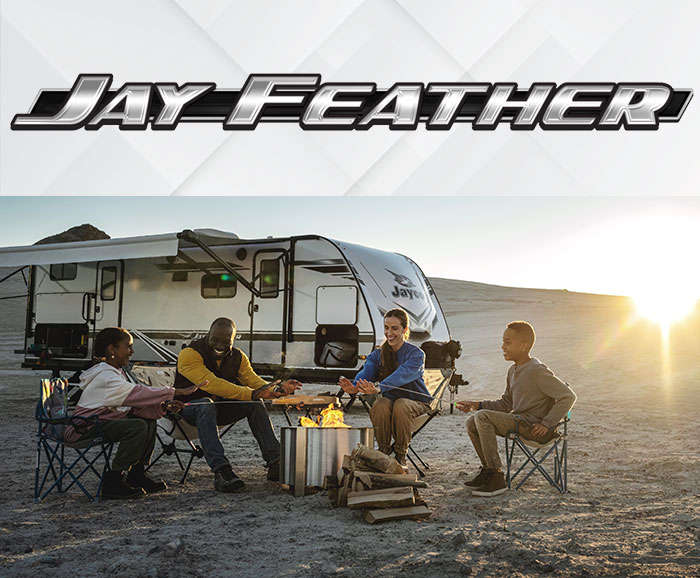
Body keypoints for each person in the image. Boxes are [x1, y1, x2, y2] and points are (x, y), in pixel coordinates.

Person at [64, 327, 200, 499]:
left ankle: (137, 474)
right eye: (127, 346)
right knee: (137, 426)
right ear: (112, 349)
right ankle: (113, 480)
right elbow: (137, 392)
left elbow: (131, 404)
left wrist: (163, 407)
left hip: (99, 423)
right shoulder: (106, 376)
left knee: (148, 420)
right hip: (83, 429)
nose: (132, 351)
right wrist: (176, 392)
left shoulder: (115, 372)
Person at [173, 317, 302, 493]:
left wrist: (277, 389)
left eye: (226, 341)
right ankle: (221, 471)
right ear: (208, 334)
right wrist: (252, 393)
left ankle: (276, 462)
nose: (219, 345)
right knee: (206, 404)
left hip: (217, 410)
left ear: (234, 340)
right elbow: (212, 383)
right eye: (214, 339)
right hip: (187, 409)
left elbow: (253, 380)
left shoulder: (238, 356)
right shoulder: (189, 353)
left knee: (255, 403)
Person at [456, 321, 576, 497]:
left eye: (508, 342)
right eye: (503, 342)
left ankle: (496, 478)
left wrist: (547, 423)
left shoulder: (537, 371)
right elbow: (505, 405)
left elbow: (568, 396)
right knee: (472, 421)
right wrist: (476, 404)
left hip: (534, 428)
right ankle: (489, 472)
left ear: (523, 346)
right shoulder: (513, 370)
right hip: (519, 422)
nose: (503, 346)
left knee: (481, 417)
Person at [338, 308, 431, 467]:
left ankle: (401, 455)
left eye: (394, 328)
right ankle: (384, 452)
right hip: (390, 403)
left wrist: (380, 388)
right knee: (380, 404)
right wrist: (355, 386)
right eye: (386, 328)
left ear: (405, 330)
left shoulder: (416, 354)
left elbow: (403, 373)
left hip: (417, 403)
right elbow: (367, 371)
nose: (389, 333)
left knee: (401, 404)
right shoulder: (378, 354)